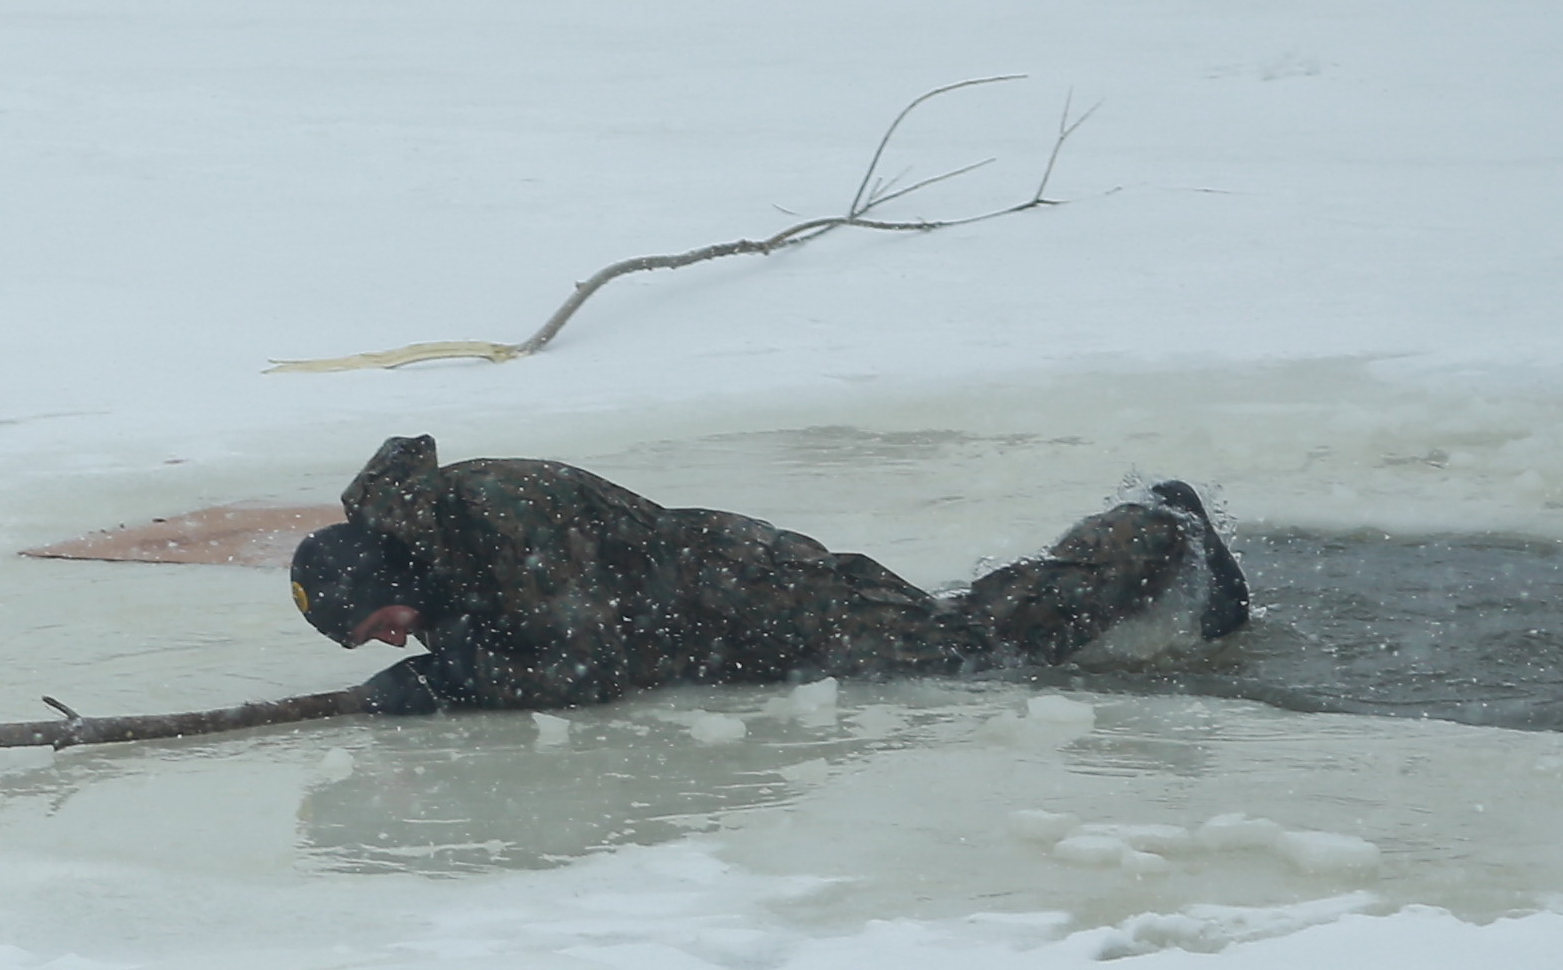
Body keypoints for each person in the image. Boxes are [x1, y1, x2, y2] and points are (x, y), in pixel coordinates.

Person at [286, 434, 1251, 715]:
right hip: (709, 618)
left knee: (971, 643)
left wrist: (459, 680)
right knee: (955, 620)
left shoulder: (503, 512)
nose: (398, 637)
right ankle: (1126, 539)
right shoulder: (440, 548)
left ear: (386, 576)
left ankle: (1154, 530)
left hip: (753, 596)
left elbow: (595, 659)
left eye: (383, 624)